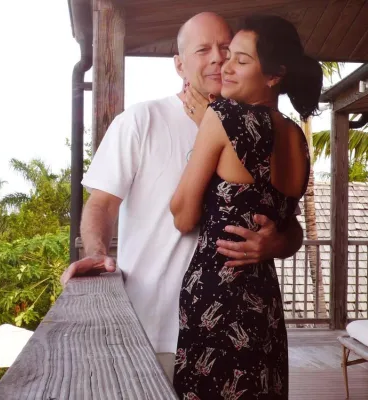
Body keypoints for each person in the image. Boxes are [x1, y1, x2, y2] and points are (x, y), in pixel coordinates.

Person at [60, 12, 304, 382]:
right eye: (203, 50)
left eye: (227, 49)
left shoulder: (259, 127)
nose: (218, 59)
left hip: (226, 327)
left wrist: (276, 243)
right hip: (151, 326)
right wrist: (96, 253)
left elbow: (291, 227)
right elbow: (101, 204)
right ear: (179, 65)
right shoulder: (142, 120)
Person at [170, 15, 321, 399]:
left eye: (241, 60)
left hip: (218, 301)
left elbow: (183, 215)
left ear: (273, 75)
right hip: (263, 302)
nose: (226, 67)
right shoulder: (296, 137)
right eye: (229, 57)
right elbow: (290, 227)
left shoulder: (222, 116)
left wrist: (207, 127)